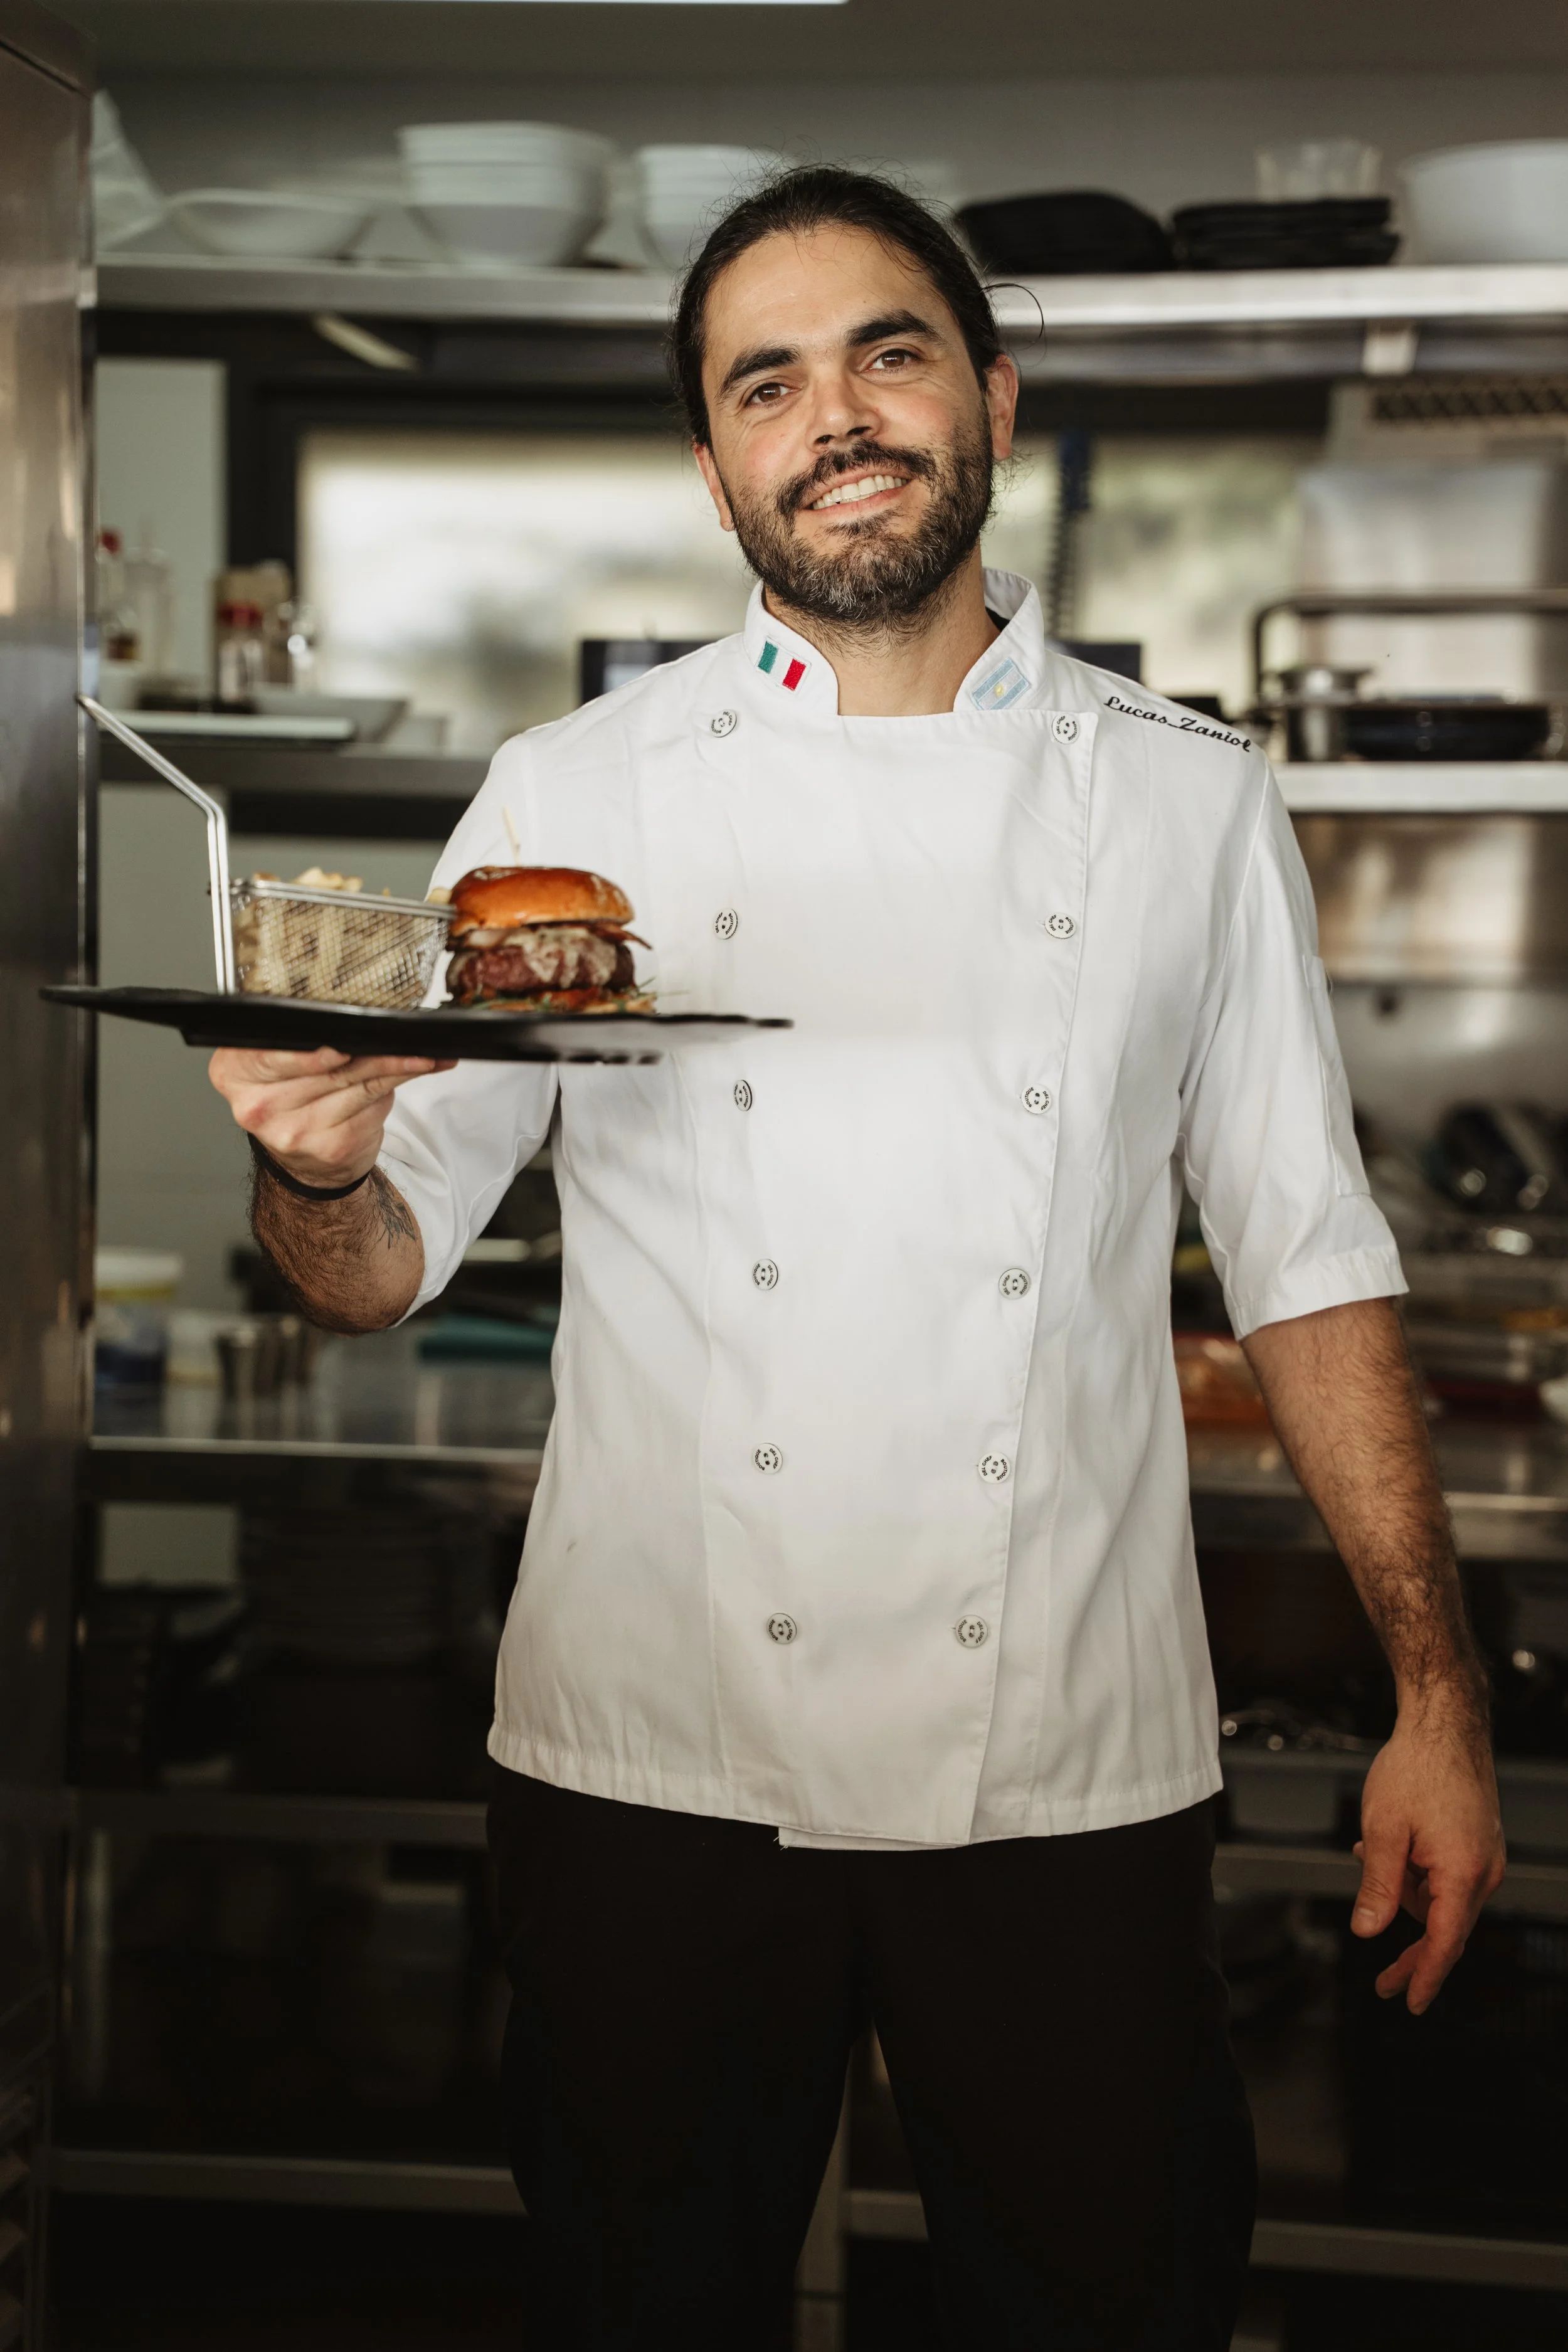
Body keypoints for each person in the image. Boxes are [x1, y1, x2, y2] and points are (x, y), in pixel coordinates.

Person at [209, 167, 1505, 2351]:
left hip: (1073, 1761)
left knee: (1109, 2308)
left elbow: (1304, 1249)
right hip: (647, 1760)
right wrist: (320, 1166)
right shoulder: (571, 790)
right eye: (767, 381)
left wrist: (1433, 1695)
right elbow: (376, 1258)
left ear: (986, 394)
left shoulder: (1187, 798)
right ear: (712, 464)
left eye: (887, 350)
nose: (838, 413)